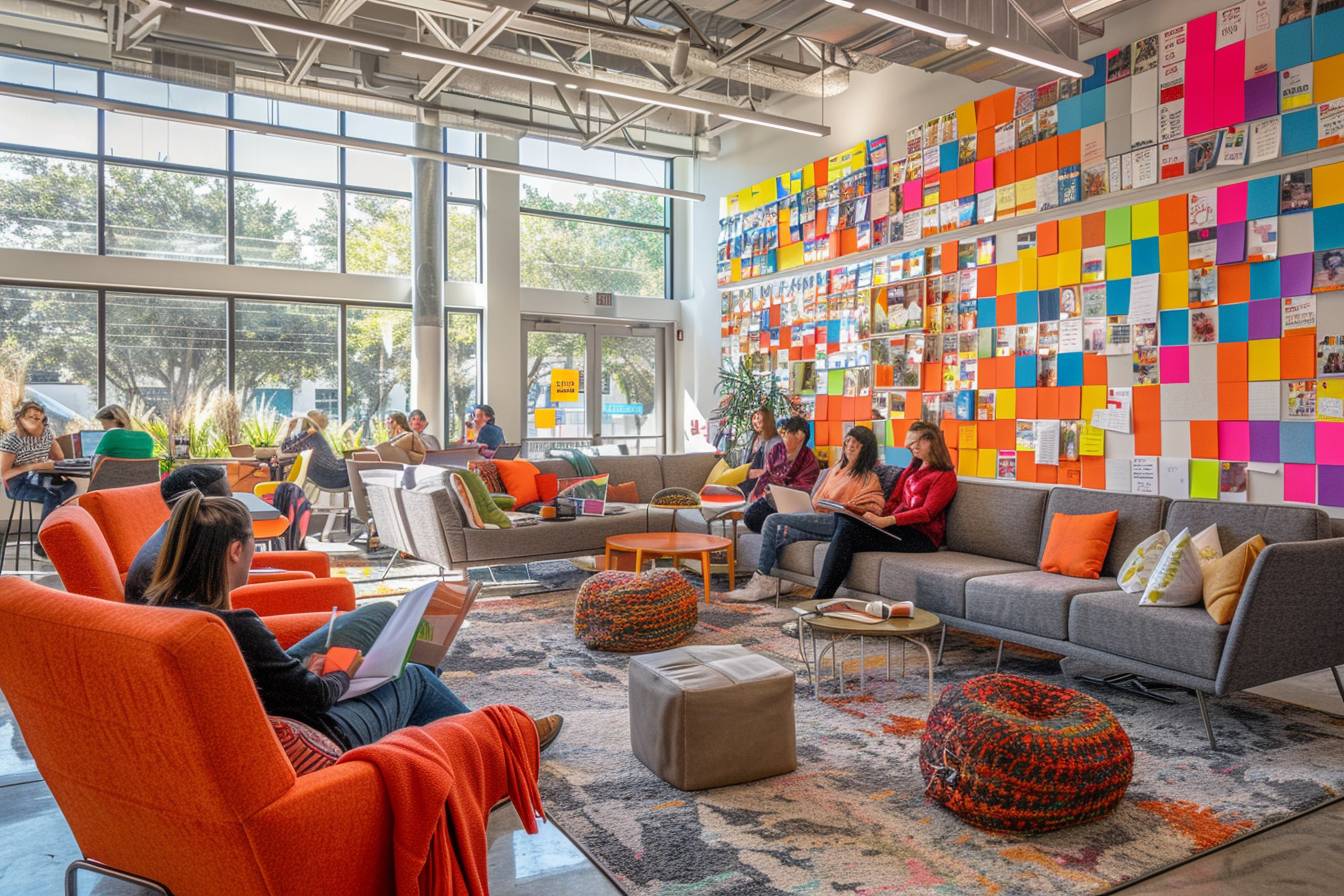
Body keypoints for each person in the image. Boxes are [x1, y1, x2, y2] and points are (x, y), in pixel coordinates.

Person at [143, 490, 563, 752]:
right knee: (414, 676)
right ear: (236, 551)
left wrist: (309, 671)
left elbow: (272, 680)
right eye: (253, 543)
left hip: (271, 703)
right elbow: (314, 698)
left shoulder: (158, 612)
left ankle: (436, 729)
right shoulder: (237, 627)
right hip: (314, 729)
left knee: (383, 620)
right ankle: (505, 747)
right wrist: (339, 673)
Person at [723, 426, 884, 603]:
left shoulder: (869, 477)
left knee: (773, 520)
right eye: (848, 441)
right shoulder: (836, 470)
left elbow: (874, 506)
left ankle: (762, 580)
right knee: (781, 531)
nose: (850, 446)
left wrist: (846, 506)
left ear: (866, 449)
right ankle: (778, 581)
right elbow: (817, 499)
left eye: (857, 443)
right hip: (819, 517)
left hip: (838, 521)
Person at [809, 422, 958, 604]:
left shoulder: (945, 476)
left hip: (921, 537)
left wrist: (887, 521)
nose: (914, 447)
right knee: (844, 518)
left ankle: (820, 599)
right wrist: (864, 514)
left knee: (846, 532)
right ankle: (823, 598)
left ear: (932, 442)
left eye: (918, 442)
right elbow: (893, 502)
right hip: (896, 529)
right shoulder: (912, 470)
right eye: (911, 444)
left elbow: (927, 512)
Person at [125, 464, 232, 603]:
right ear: (205, 502)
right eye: (229, 498)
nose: (234, 502)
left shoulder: (179, 535)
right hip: (167, 615)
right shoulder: (189, 551)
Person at [1, 400, 75, 552]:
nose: (35, 421)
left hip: (36, 477)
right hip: (16, 484)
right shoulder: (11, 440)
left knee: (70, 485)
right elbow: (4, 474)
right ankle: (43, 544)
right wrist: (32, 466)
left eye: (38, 418)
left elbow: (59, 458)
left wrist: (46, 461)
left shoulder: (46, 433)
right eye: (30, 417)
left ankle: (51, 533)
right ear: (20, 418)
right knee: (52, 495)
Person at [742, 416, 820, 533]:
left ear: (800, 435)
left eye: (787, 433)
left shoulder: (809, 460)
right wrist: (758, 492)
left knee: (770, 521)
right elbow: (767, 475)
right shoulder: (777, 450)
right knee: (751, 516)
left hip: (792, 504)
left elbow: (805, 489)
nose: (783, 437)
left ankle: (777, 532)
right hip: (771, 498)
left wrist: (781, 491)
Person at [278, 413, 349, 491]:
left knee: (351, 465)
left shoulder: (311, 435)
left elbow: (285, 449)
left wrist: (290, 429)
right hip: (332, 477)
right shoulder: (312, 435)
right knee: (354, 466)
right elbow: (285, 449)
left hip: (329, 477)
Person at [740, 407, 781, 498]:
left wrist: (759, 473)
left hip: (759, 484)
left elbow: (773, 472)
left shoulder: (775, 442)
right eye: (754, 418)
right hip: (747, 479)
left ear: (767, 420)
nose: (755, 421)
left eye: (758, 418)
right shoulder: (753, 438)